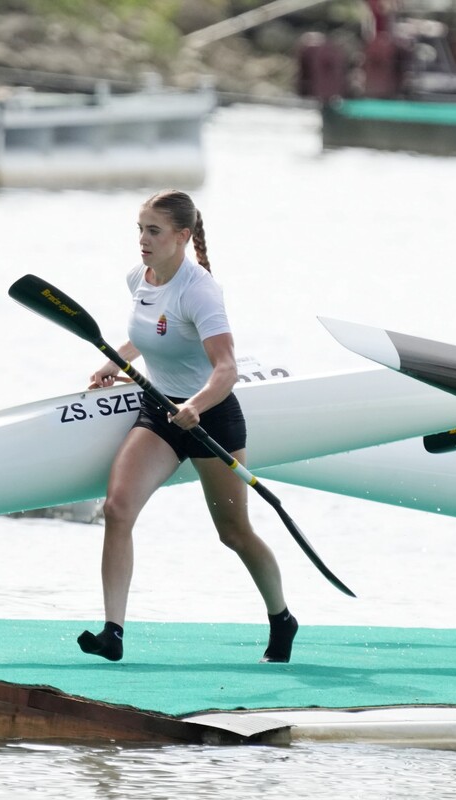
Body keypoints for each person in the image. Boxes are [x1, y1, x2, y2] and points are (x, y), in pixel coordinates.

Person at [78, 189, 298, 663]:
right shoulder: (140, 276)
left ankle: (282, 619)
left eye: (153, 231)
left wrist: (196, 405)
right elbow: (153, 331)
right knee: (117, 509)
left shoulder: (200, 290)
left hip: (211, 416)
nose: (142, 239)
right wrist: (115, 360)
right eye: (139, 229)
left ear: (182, 236)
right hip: (159, 409)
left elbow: (227, 370)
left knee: (233, 533)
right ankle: (112, 631)